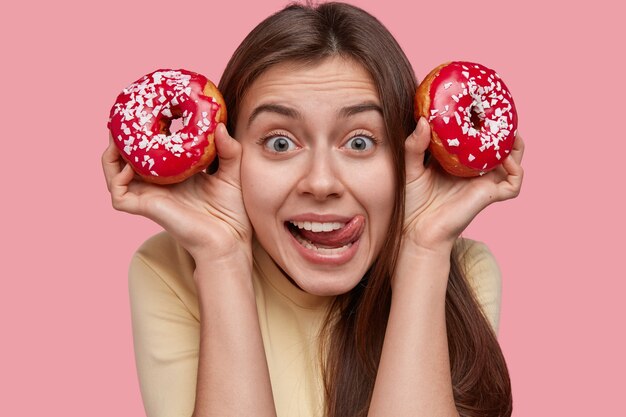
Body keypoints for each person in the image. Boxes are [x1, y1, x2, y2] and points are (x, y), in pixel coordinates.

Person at [102, 2, 524, 417]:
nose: (321, 183)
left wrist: (424, 250)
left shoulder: (461, 267)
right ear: (225, 153)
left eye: (360, 142)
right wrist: (221, 258)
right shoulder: (168, 269)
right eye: (280, 143)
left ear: (410, 153)